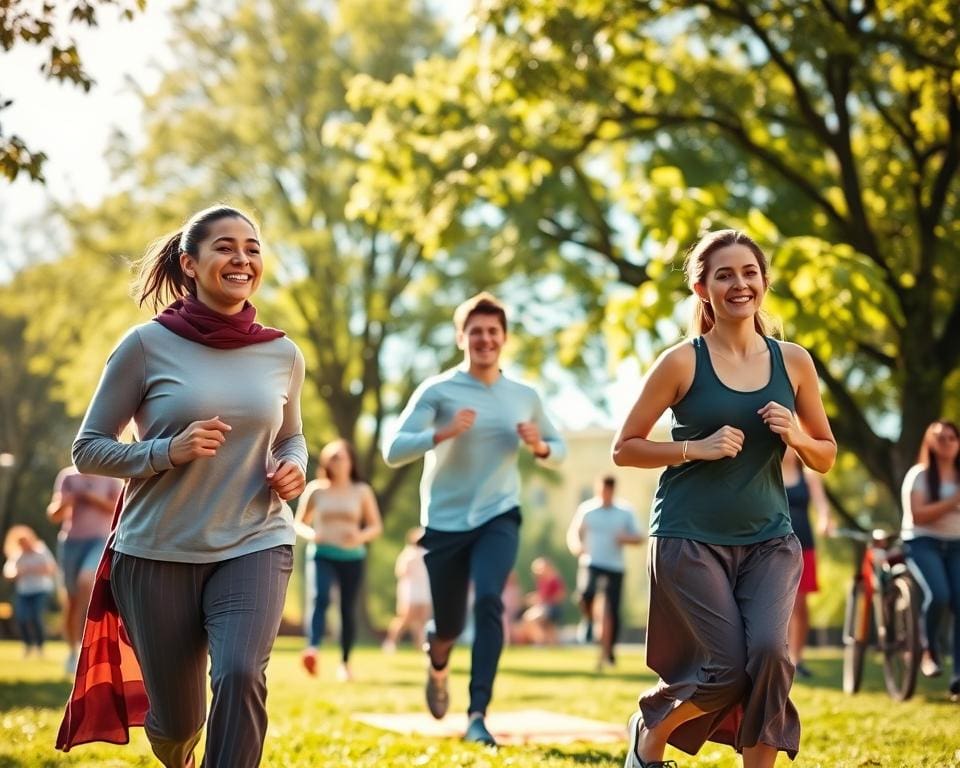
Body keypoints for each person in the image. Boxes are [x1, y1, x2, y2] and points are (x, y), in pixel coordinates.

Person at [57, 205, 307, 768]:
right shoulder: (146, 345)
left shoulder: (283, 353)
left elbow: (292, 437)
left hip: (255, 537)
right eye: (225, 246)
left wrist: (296, 466)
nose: (242, 257)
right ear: (190, 265)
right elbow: (88, 448)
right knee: (176, 722)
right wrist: (167, 451)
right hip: (156, 549)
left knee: (242, 674)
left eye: (252, 246)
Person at [612, 229, 836, 768]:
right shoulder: (682, 362)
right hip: (689, 538)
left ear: (764, 281)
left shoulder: (794, 361)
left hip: (769, 538)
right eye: (724, 274)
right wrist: (694, 448)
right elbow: (626, 448)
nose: (740, 284)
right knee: (725, 670)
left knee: (771, 656)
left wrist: (797, 437)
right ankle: (651, 726)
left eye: (749, 272)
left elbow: (825, 454)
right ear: (701, 287)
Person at [382, 291, 566, 746]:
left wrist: (539, 446)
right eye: (476, 331)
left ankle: (478, 713)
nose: (485, 339)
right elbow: (392, 450)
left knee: (489, 600)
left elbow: (557, 450)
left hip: (498, 515)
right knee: (447, 626)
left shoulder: (524, 396)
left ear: (503, 339)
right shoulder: (438, 391)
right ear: (461, 337)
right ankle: (438, 656)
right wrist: (442, 432)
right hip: (444, 522)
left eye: (493, 332)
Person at [294, 438, 383, 680]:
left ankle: (345, 664)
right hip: (322, 554)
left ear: (351, 461)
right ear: (325, 462)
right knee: (320, 598)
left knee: (347, 609)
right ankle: (312, 649)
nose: (336, 461)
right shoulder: (316, 489)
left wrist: (360, 536)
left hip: (352, 557)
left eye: (340, 456)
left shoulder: (361, 491)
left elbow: (375, 526)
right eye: (331, 457)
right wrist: (313, 534)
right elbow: (298, 523)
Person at [900, 419, 960, 699]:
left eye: (951, 437)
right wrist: (953, 503)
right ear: (929, 442)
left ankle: (958, 677)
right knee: (939, 595)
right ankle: (929, 649)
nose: (946, 442)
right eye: (939, 437)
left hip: (956, 546)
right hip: (922, 543)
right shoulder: (919, 475)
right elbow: (919, 515)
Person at [46, 465, 122, 672]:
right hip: (70, 543)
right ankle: (73, 651)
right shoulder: (68, 476)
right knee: (71, 599)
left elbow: (120, 510)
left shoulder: (111, 476)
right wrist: (68, 501)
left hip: (101, 540)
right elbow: (54, 514)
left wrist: (90, 497)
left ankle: (90, 645)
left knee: (86, 582)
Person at [566, 474, 644, 669]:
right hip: (591, 562)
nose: (605, 495)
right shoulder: (587, 509)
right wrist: (577, 546)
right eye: (602, 491)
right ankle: (590, 622)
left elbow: (639, 537)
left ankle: (608, 651)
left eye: (608, 492)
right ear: (597, 489)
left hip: (614, 567)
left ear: (613, 491)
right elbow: (574, 533)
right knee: (585, 595)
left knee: (612, 611)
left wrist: (625, 538)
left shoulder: (624, 511)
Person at [781, 447, 832, 678]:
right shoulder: (767, 473)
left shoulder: (808, 476)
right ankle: (776, 657)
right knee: (779, 604)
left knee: (800, 604)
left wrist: (825, 521)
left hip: (804, 546)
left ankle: (796, 658)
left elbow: (822, 506)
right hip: (775, 546)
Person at [3, 524, 57, 657]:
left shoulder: (41, 551)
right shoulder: (17, 556)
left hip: (40, 590)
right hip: (24, 591)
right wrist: (17, 573)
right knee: (21, 617)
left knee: (35, 617)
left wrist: (33, 569)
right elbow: (8, 573)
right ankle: (27, 645)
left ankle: (40, 646)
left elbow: (51, 569)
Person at [382, 527, 432, 652]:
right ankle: (390, 642)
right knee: (405, 618)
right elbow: (401, 572)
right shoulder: (408, 554)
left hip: (424, 590)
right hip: (411, 590)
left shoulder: (428, 553)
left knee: (422, 620)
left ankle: (420, 645)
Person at [518, 556, 567, 645]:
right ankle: (548, 643)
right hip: (545, 608)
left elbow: (560, 596)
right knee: (549, 631)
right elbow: (542, 596)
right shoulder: (542, 581)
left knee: (529, 618)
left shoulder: (554, 580)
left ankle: (541, 642)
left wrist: (542, 600)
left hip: (552, 609)